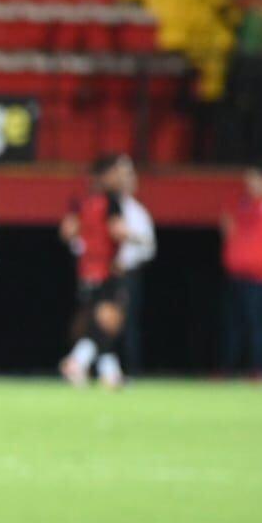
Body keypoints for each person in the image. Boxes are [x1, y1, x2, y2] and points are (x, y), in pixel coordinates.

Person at [58, 154, 131, 389]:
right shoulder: (111, 201)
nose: (120, 178)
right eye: (116, 173)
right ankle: (76, 362)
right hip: (106, 268)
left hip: (86, 269)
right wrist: (140, 239)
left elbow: (67, 232)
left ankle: (110, 374)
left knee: (98, 323)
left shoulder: (83, 202)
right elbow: (117, 231)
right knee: (108, 322)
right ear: (105, 175)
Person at [220, 164, 262, 376]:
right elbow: (229, 230)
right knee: (232, 325)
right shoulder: (241, 205)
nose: (250, 185)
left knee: (256, 324)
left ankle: (258, 369)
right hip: (236, 276)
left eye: (255, 180)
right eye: (248, 181)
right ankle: (227, 369)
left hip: (258, 278)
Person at [114, 156, 156, 374]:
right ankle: (101, 370)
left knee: (128, 325)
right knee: (97, 324)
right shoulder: (99, 205)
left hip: (128, 275)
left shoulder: (138, 213)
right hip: (100, 273)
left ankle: (131, 371)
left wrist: (126, 256)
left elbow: (149, 248)